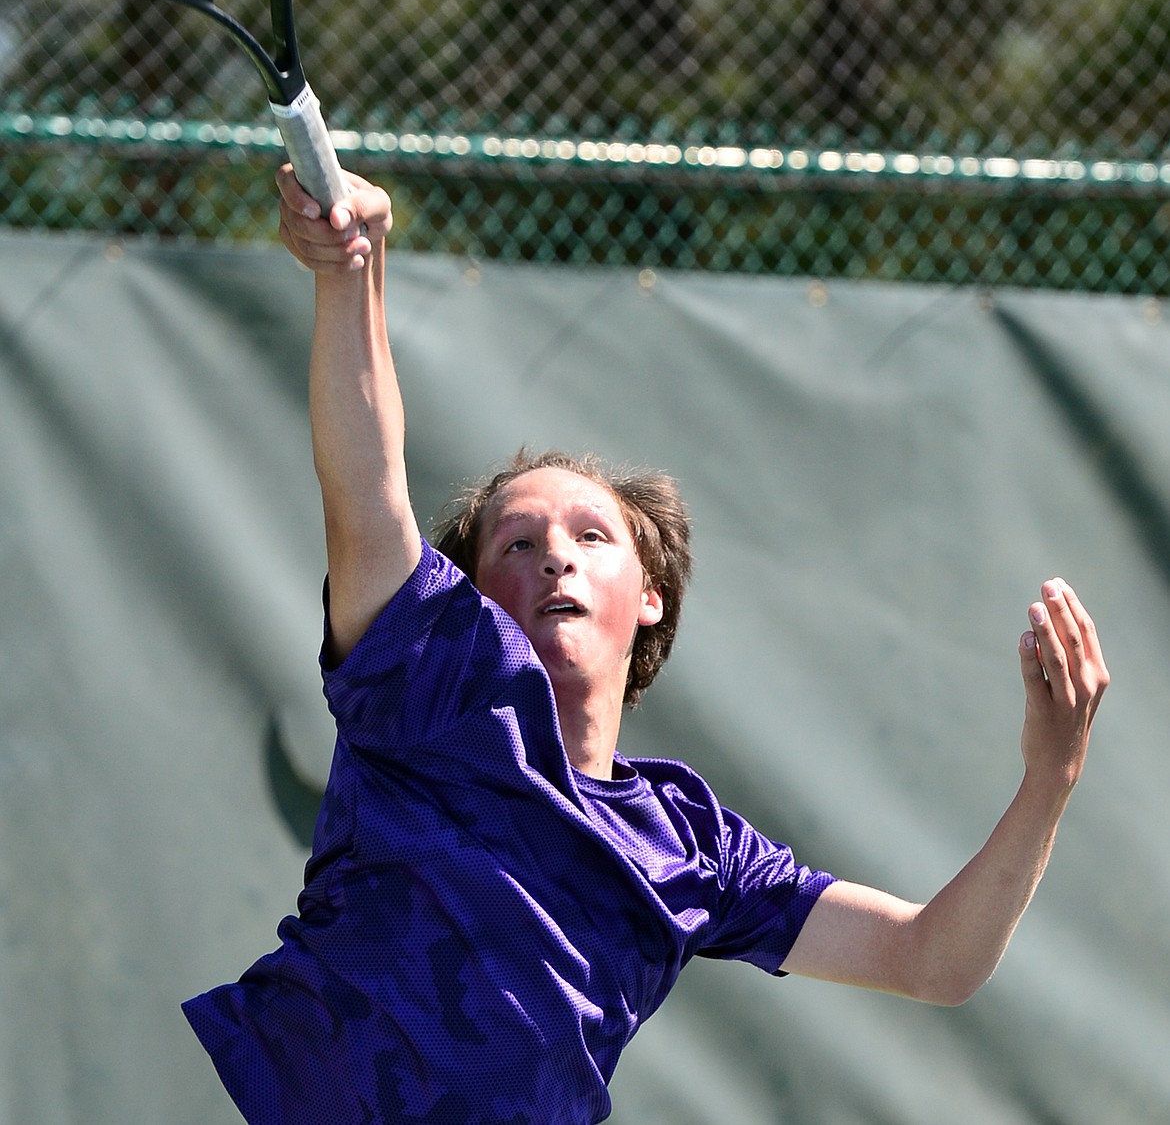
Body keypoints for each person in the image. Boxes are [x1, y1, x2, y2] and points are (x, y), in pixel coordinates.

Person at [183, 169, 1109, 1125]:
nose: (556, 560)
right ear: (468, 591)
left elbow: (932, 959)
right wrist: (351, 274)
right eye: (519, 541)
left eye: (592, 537)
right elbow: (367, 477)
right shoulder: (427, 683)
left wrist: (1052, 776)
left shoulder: (689, 843)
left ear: (650, 597)